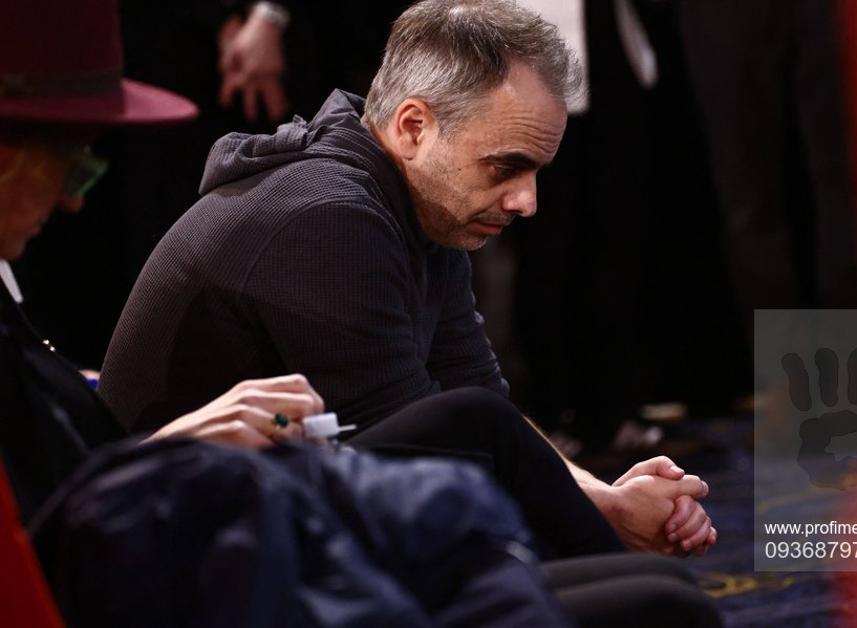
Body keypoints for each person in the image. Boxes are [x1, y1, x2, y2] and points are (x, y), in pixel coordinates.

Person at [0, 3, 722, 626]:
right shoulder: (326, 216)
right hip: (195, 563)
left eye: (536, 173)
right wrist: (601, 511)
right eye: (506, 167)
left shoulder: (422, 204)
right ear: (412, 126)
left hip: (263, 528)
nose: (526, 201)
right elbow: (439, 445)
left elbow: (475, 400)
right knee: (657, 601)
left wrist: (603, 498)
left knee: (636, 575)